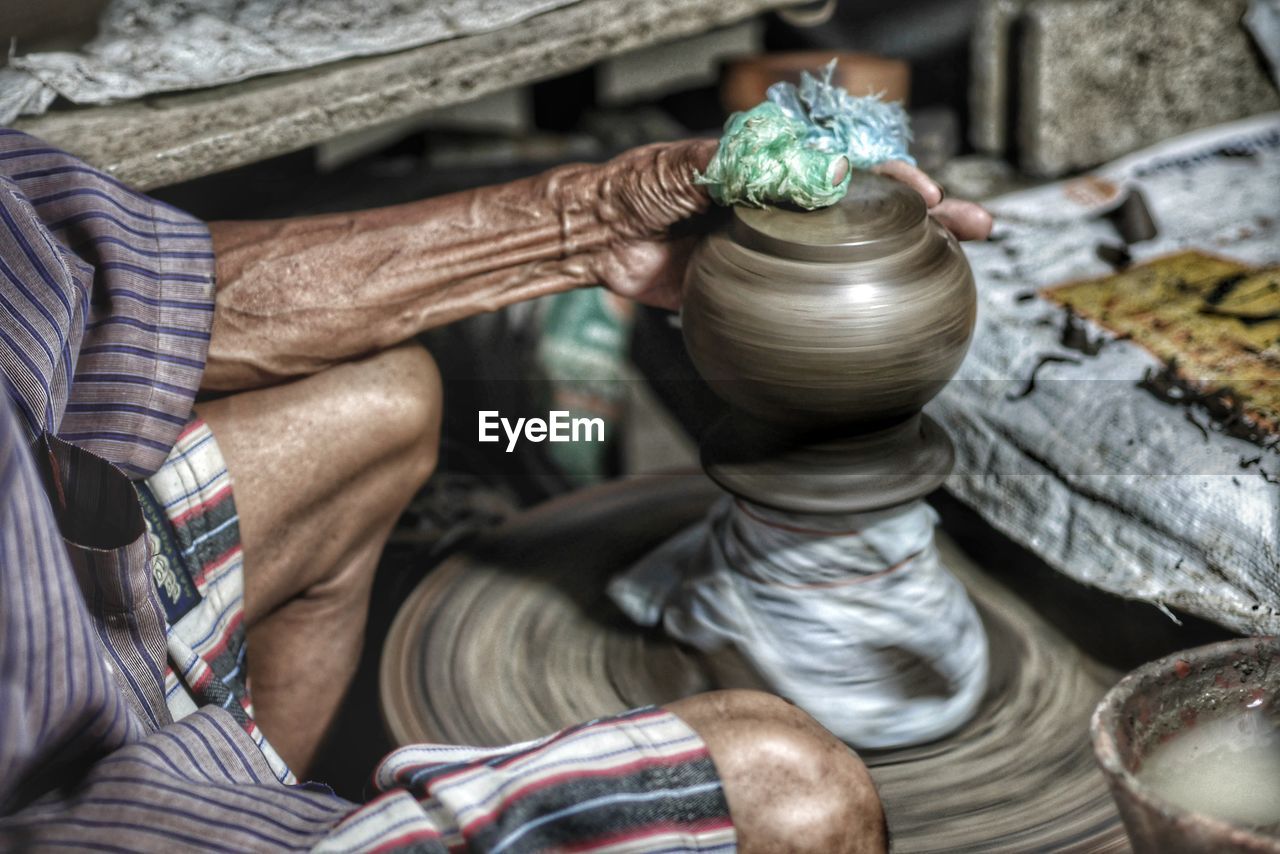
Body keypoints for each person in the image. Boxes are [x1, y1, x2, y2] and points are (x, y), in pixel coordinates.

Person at [0, 127, 990, 852]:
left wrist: (594, 216)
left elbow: (120, 295)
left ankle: (256, 784)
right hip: (42, 803)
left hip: (44, 587)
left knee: (382, 400)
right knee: (792, 797)